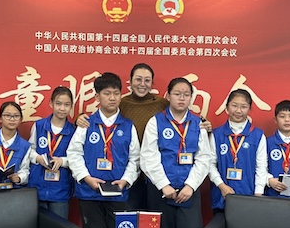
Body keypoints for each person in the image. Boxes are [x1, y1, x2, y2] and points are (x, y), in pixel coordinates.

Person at [76, 63, 212, 210]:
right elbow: (103, 117)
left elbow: (181, 118)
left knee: (152, 219)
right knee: (129, 218)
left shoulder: (162, 104)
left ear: (152, 83)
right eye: (138, 79)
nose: (142, 84)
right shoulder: (121, 102)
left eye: (147, 80)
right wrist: (79, 118)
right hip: (126, 173)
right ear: (130, 82)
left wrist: (205, 126)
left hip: (155, 175)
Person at [67, 72, 140, 228]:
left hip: (118, 192)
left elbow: (135, 158)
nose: (112, 98)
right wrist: (86, 178)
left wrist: (126, 180)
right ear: (97, 96)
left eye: (116, 93)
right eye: (107, 93)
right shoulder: (86, 123)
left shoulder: (128, 126)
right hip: (89, 192)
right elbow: (73, 153)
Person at [140, 78, 211, 228]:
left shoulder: (198, 123)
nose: (182, 98)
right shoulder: (156, 122)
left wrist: (190, 186)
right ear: (168, 95)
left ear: (191, 98)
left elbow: (204, 158)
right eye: (177, 94)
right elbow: (148, 156)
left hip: (189, 191)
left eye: (186, 94)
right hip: (161, 191)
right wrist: (164, 185)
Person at [209, 89, 268, 213]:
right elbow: (210, 164)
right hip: (222, 196)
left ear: (249, 109)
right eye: (234, 106)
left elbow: (261, 167)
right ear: (227, 107)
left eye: (243, 107)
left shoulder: (258, 135)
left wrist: (258, 194)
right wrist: (221, 186)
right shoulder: (216, 134)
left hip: (249, 197)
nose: (238, 111)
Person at [28, 86, 75, 219]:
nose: (62, 108)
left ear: (71, 106)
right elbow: (29, 151)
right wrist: (38, 158)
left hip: (60, 190)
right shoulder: (39, 125)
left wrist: (63, 161)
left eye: (67, 105)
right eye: (58, 104)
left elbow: (77, 158)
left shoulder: (73, 131)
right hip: (37, 187)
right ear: (51, 103)